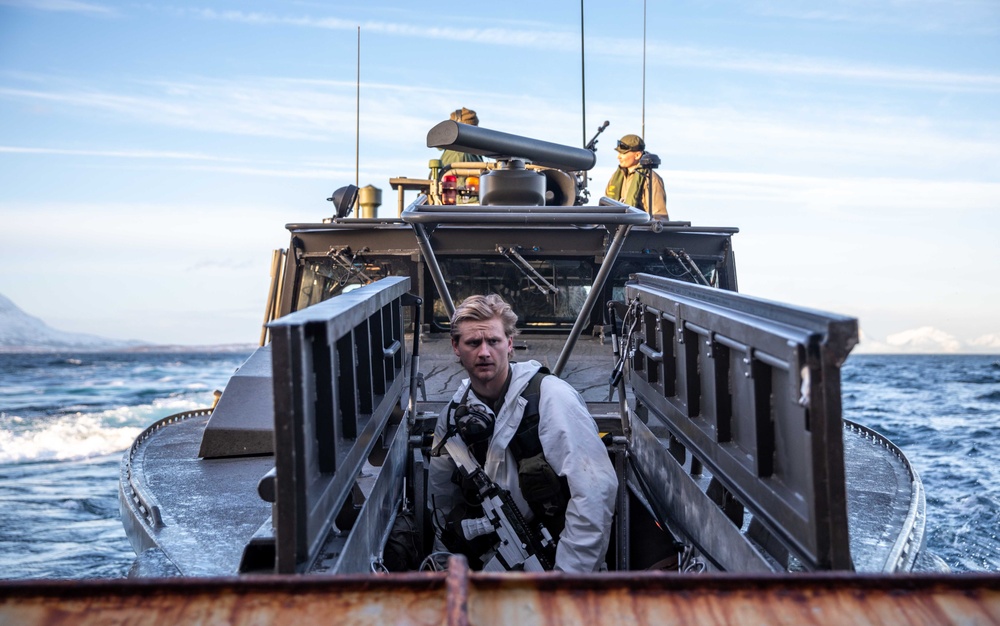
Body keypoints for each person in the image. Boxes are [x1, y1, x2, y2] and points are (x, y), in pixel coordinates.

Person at [428, 294, 618, 572]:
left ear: (510, 344)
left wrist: (566, 581)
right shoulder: (453, 416)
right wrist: (442, 565)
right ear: (456, 347)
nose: (484, 352)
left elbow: (594, 493)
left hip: (558, 562)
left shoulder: (550, 397)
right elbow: (441, 499)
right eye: (473, 343)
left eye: (493, 341)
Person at [605, 133, 668, 219]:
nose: (618, 157)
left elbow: (659, 217)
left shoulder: (650, 178)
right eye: (618, 153)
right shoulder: (615, 177)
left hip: (638, 230)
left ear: (637, 155)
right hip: (616, 229)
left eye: (623, 153)